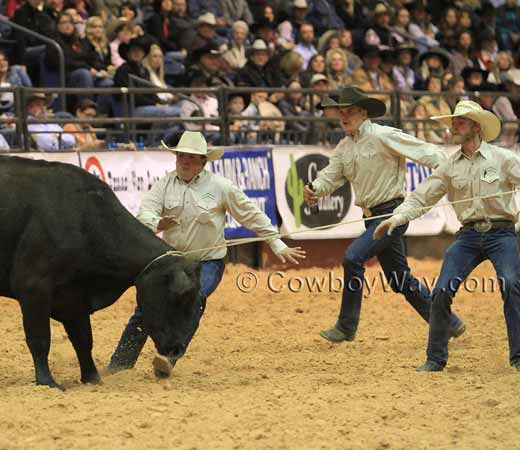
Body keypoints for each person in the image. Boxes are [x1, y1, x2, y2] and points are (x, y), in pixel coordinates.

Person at [109, 131, 306, 378]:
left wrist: (276, 244)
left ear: (203, 162)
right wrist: (159, 223)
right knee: (146, 307)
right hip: (171, 260)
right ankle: (120, 363)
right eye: (181, 155)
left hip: (208, 262)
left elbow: (251, 214)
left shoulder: (221, 187)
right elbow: (144, 214)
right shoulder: (164, 184)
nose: (184, 161)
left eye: (191, 157)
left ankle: (169, 356)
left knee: (193, 296)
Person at [303, 87, 465, 344]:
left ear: (364, 113)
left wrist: (453, 170)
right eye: (341, 112)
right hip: (373, 217)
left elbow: (429, 153)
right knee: (400, 279)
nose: (344, 117)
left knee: (353, 258)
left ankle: (346, 327)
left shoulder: (383, 135)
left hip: (392, 214)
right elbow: (330, 176)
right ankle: (449, 322)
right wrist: (315, 189)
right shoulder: (345, 146)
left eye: (350, 111)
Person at [374, 101, 520, 372]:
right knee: (441, 290)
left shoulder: (504, 159)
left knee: (512, 284)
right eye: (454, 121)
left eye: (460, 121)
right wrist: (396, 217)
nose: (454, 126)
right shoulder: (449, 165)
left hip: (502, 233)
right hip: (467, 236)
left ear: (476, 127)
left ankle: (519, 357)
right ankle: (436, 358)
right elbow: (421, 197)